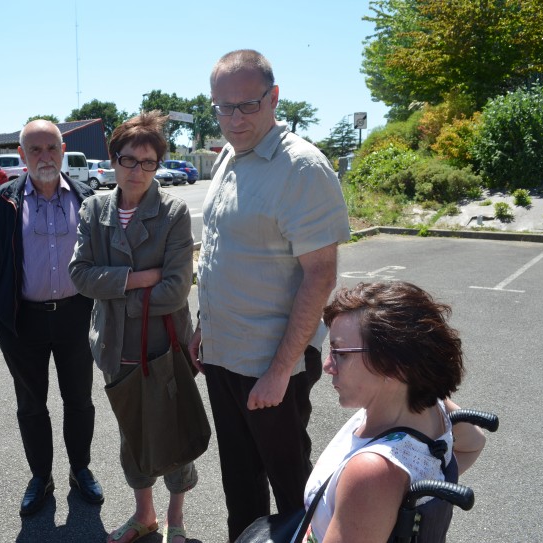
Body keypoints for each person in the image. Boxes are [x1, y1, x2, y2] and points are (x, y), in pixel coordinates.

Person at [187, 49, 351, 541]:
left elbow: (320, 277)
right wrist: (202, 329)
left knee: (290, 483)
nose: (234, 119)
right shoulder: (228, 157)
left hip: (268, 364)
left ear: (274, 98)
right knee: (239, 480)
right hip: (222, 356)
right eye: (222, 107)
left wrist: (282, 370)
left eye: (247, 105)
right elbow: (220, 251)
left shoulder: (301, 168)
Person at [69, 111, 196, 543]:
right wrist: (140, 278)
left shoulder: (174, 211)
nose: (137, 171)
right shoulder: (94, 208)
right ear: (113, 160)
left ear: (158, 164)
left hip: (166, 344)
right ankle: (145, 515)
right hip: (114, 346)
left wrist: (116, 293)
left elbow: (177, 291)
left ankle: (176, 518)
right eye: (129, 160)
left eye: (148, 162)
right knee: (132, 434)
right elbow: (80, 276)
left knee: (172, 430)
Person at [0, 120, 103, 516]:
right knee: (31, 405)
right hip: (23, 322)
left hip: (76, 316)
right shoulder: (3, 201)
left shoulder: (87, 198)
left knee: (79, 400)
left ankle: (80, 470)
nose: (44, 156)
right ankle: (41, 476)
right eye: (35, 149)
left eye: (51, 147)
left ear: (63, 150)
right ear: (22, 156)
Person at [302, 281, 487, 542]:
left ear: (392, 365)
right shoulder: (432, 405)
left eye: (340, 352)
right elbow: (473, 443)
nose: (327, 365)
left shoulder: (372, 471)